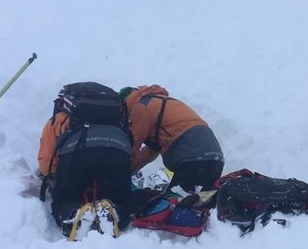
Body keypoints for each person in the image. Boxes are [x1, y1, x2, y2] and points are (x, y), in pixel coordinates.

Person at [38, 82, 133, 238]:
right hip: (117, 149)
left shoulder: (60, 118)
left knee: (65, 199)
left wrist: (55, 177)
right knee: (120, 199)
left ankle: (74, 214)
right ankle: (113, 211)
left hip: (77, 149)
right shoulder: (116, 119)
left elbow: (46, 161)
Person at [120, 84, 224, 194]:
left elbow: (133, 142)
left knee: (174, 202)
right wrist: (131, 169)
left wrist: (121, 171)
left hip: (190, 153)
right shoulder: (159, 102)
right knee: (198, 204)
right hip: (214, 157)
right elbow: (150, 152)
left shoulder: (140, 107)